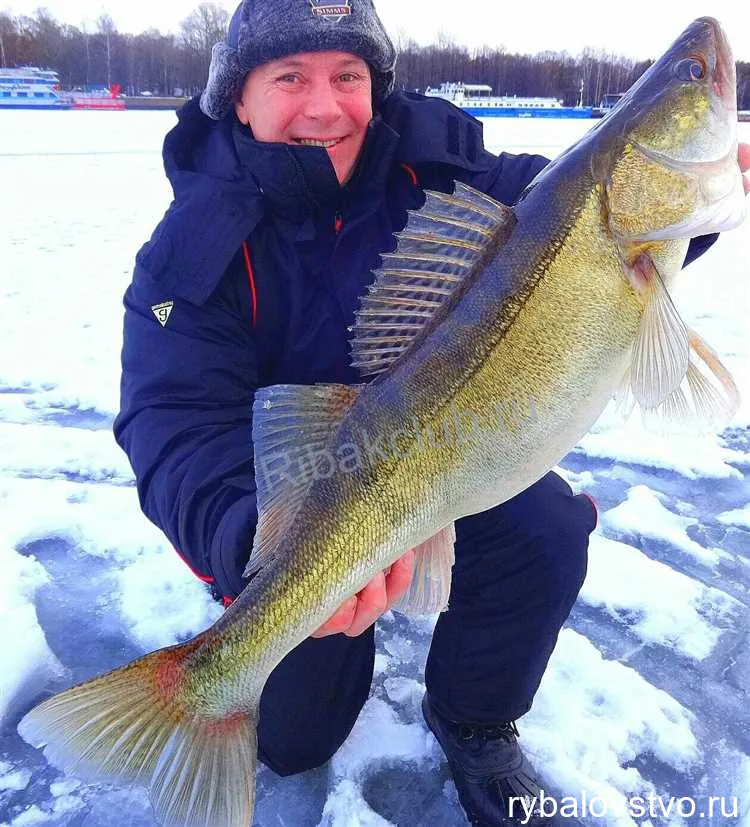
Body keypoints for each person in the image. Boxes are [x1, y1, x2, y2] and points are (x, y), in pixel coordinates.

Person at [114, 2, 750, 824]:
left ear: (375, 87)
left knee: (546, 531)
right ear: (238, 98)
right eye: (289, 78)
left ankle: (476, 722)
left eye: (347, 75)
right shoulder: (188, 253)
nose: (324, 104)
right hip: (300, 499)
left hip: (448, 463)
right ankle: (221, 678)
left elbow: (572, 222)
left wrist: (683, 223)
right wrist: (245, 539)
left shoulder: (447, 171)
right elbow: (172, 420)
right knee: (297, 737)